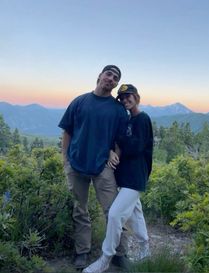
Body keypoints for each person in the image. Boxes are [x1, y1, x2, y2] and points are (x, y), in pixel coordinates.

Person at [58, 65, 129, 269]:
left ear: (116, 84)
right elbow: (67, 132)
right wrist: (65, 161)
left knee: (114, 211)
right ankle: (82, 251)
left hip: (103, 167)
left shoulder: (118, 110)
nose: (111, 78)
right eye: (109, 74)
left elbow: (120, 139)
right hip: (76, 164)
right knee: (80, 210)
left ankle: (119, 252)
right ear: (99, 76)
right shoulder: (80, 102)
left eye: (115, 78)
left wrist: (115, 152)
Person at [83, 84, 154, 273]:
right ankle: (145, 249)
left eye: (128, 96)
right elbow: (121, 142)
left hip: (136, 177)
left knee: (115, 214)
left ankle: (106, 258)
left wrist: (118, 146)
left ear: (137, 97)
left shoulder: (142, 119)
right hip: (125, 176)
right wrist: (114, 147)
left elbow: (137, 147)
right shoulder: (129, 120)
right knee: (135, 213)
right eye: (121, 98)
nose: (125, 100)